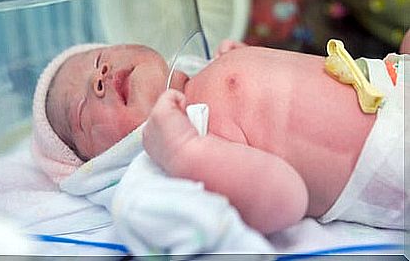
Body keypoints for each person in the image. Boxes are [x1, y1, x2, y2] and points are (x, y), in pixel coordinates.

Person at [31, 38, 405, 234]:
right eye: (82, 112)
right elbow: (285, 201)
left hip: (392, 75)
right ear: (101, 164)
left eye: (99, 58)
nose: (100, 77)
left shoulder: (204, 74)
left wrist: (248, 62)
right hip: (390, 152)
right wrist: (183, 150)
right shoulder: (192, 149)